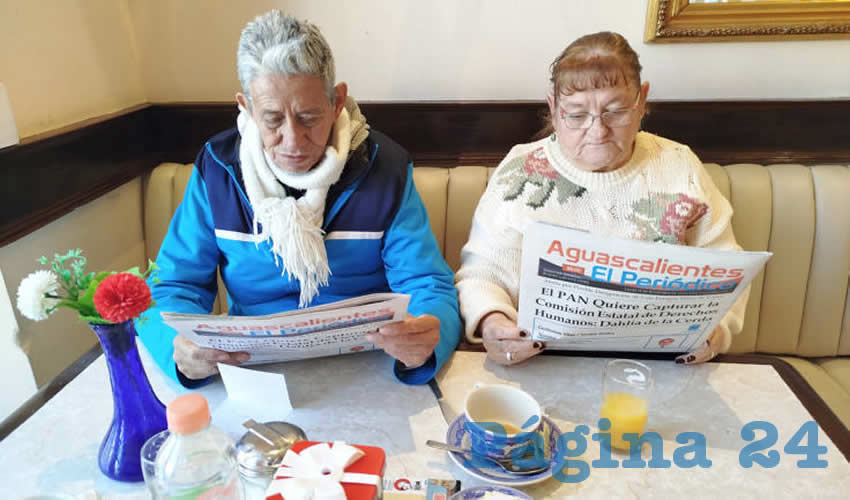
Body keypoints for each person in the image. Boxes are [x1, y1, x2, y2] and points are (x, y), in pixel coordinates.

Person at [137, 10, 460, 387]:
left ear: (337, 102)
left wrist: (426, 338)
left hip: (367, 366)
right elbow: (172, 287)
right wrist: (178, 351)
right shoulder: (218, 172)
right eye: (272, 119)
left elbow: (428, 284)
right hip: (254, 369)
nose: (293, 140)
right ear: (246, 107)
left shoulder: (385, 168)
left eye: (308, 117)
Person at [455, 32, 749, 366]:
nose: (598, 131)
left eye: (616, 111)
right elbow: (483, 273)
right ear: (554, 108)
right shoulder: (521, 170)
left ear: (642, 101)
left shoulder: (679, 165)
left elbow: (726, 268)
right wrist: (493, 322)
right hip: (540, 361)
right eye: (577, 115)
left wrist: (715, 333)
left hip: (657, 363)